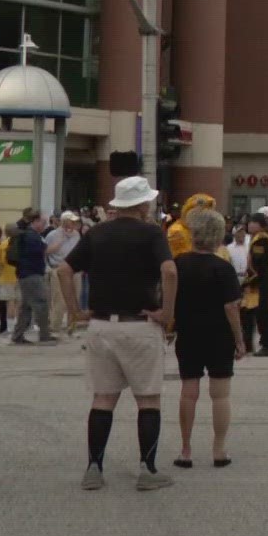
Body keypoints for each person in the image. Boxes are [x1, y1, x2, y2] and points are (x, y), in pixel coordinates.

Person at [55, 176, 178, 491]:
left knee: (103, 398)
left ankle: (94, 467)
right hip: (140, 322)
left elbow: (65, 270)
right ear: (142, 204)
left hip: (101, 325)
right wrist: (167, 313)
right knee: (148, 398)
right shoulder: (152, 233)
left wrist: (74, 310)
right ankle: (147, 469)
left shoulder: (96, 233)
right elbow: (169, 271)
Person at [172, 207, 244, 469]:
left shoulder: (179, 264)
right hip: (219, 335)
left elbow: (168, 297)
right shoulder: (223, 268)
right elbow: (231, 307)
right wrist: (240, 339)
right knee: (220, 394)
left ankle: (186, 449)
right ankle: (218, 449)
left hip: (188, 333)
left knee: (188, 391)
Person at [8, 209, 53, 345]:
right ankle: (44, 334)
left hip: (25, 273)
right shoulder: (32, 236)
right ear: (36, 221)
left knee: (26, 306)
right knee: (41, 303)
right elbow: (41, 251)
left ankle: (18, 335)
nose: (44, 225)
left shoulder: (27, 235)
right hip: (32, 274)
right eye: (43, 222)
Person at [238, 213, 268, 357]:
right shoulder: (257, 239)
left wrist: (250, 280)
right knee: (246, 312)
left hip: (260, 280)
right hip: (257, 280)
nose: (249, 225)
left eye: (252, 223)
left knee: (263, 314)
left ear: (260, 225)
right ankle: (247, 344)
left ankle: (267, 345)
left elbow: (260, 264)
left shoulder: (261, 241)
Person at [44, 211, 84, 334]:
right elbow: (45, 252)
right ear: (64, 221)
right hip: (58, 268)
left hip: (75, 270)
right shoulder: (52, 235)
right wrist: (59, 242)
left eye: (74, 222)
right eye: (71, 221)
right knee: (59, 299)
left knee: (75, 297)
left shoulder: (76, 234)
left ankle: (72, 324)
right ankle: (55, 325)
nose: (73, 224)